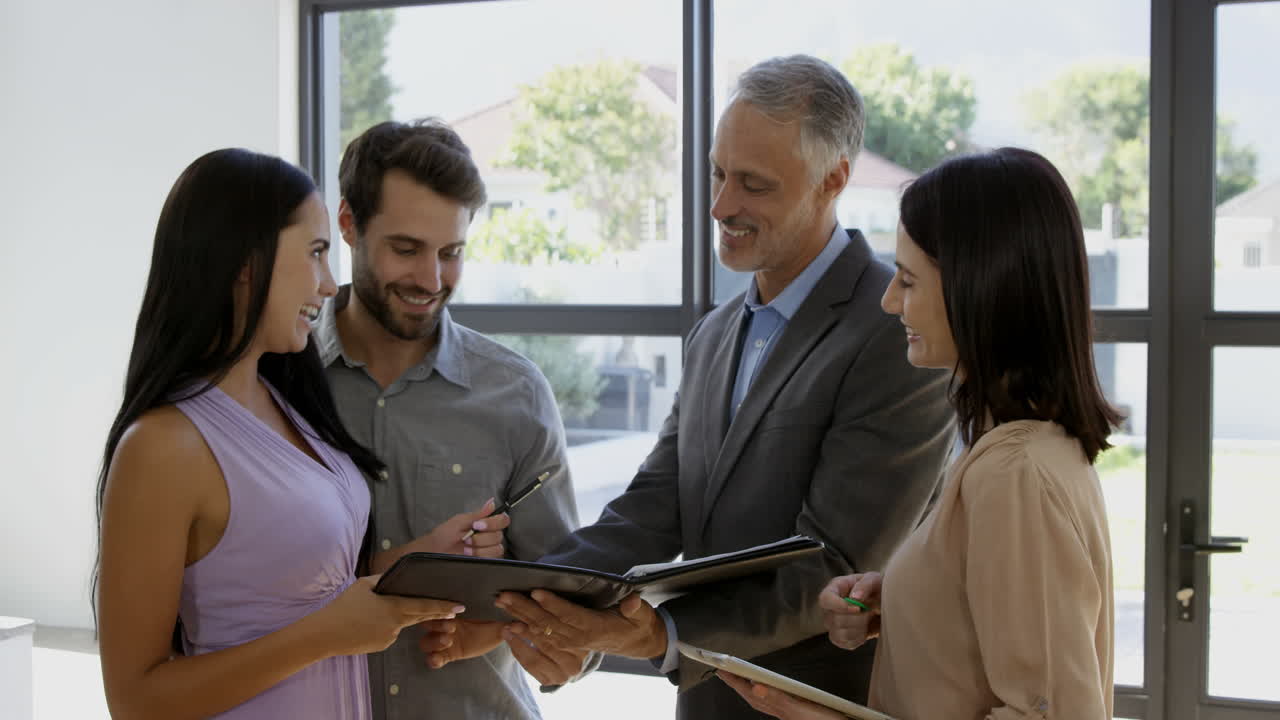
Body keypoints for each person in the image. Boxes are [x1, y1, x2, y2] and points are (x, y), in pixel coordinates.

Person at [476, 55, 956, 719]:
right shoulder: (715, 332)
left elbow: (835, 566)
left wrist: (662, 633)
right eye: (718, 173)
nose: (721, 205)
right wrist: (530, 598)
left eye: (753, 184)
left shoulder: (892, 331)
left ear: (832, 180)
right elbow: (655, 503)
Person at [720, 147, 1119, 719]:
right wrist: (910, 601)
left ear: (979, 288)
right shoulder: (1024, 451)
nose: (888, 301)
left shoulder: (1015, 475)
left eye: (907, 281)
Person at [94, 148, 463, 719]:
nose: (329, 284)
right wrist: (327, 635)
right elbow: (135, 700)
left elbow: (289, 589)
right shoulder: (163, 448)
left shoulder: (288, 403)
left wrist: (417, 562)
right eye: (316, 253)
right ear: (247, 260)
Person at [315, 118, 585, 720]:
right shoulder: (279, 381)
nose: (431, 280)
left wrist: (538, 638)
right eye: (406, 249)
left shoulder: (515, 395)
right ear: (350, 226)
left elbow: (568, 599)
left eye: (451, 253)